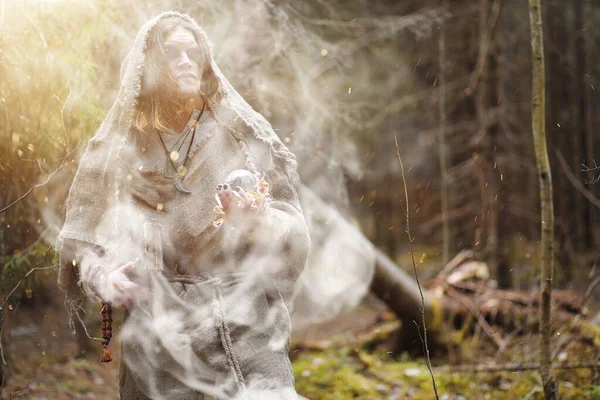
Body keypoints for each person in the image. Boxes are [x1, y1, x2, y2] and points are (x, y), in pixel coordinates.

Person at [56, 11, 310, 400]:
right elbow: (82, 241)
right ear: (149, 65)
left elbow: (292, 229)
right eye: (172, 53)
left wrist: (256, 221)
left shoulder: (240, 132)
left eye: (193, 52)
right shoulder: (117, 148)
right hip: (159, 335)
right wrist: (102, 275)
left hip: (248, 327)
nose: (186, 61)